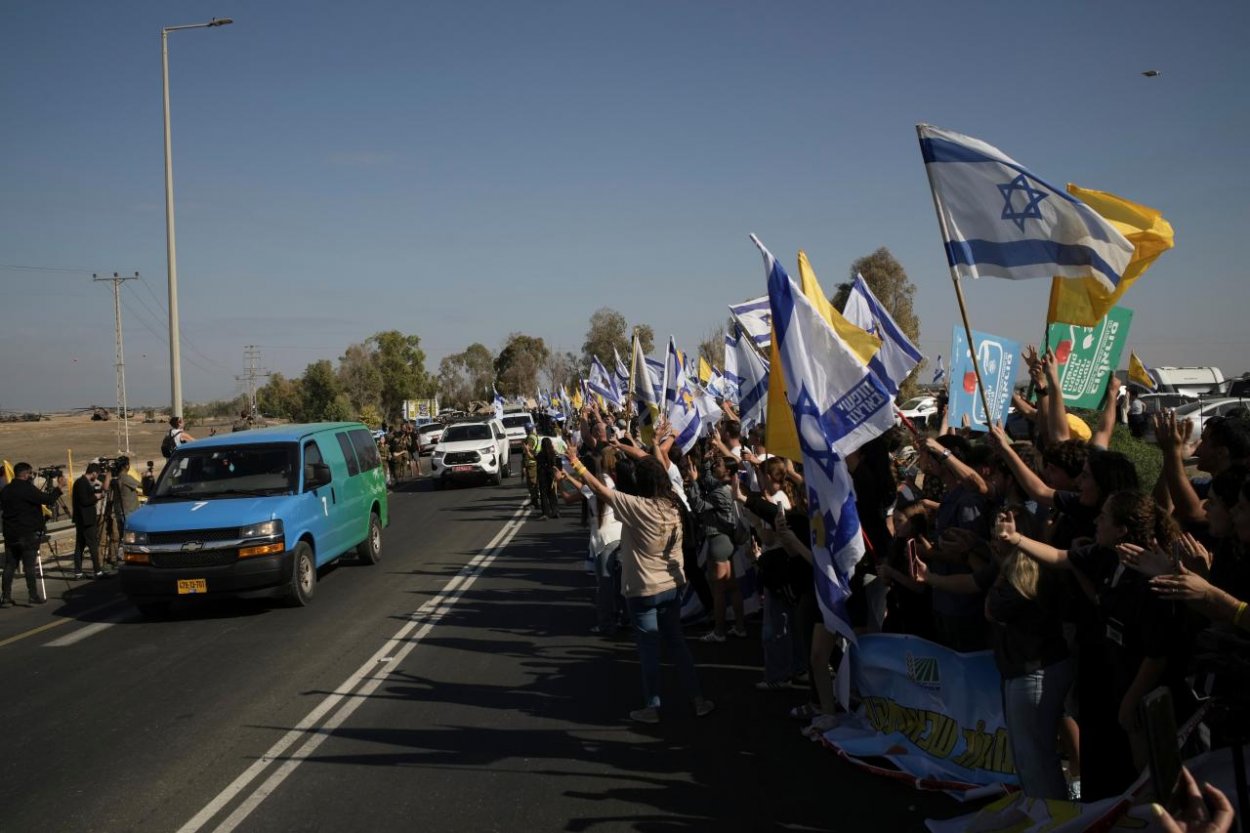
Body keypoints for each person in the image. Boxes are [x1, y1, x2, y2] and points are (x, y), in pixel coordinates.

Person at [565, 444, 714, 723]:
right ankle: (698, 700)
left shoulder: (637, 507)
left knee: (648, 651)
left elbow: (600, 490)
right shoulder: (674, 505)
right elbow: (653, 464)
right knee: (677, 644)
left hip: (643, 589)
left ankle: (652, 707)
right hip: (672, 586)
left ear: (640, 482)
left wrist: (577, 464)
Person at [1, 462, 67, 606]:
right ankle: (33, 595)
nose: (32, 476)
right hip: (27, 533)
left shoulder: (6, 490)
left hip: (10, 533)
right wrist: (59, 487)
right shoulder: (27, 488)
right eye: (31, 473)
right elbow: (48, 500)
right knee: (29, 566)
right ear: (25, 474)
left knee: (10, 565)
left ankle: (5, 597)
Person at [71, 462, 107, 579]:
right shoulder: (81, 483)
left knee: (80, 546)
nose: (96, 477)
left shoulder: (82, 482)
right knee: (92, 545)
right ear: (93, 473)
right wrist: (96, 497)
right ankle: (97, 571)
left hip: (82, 519)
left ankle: (78, 572)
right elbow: (84, 501)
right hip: (86, 520)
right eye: (97, 474)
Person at [111, 457, 142, 567]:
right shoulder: (125, 477)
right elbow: (140, 484)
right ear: (126, 466)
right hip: (129, 511)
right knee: (130, 536)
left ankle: (116, 556)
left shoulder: (116, 479)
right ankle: (126, 554)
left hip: (120, 511)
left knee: (121, 535)